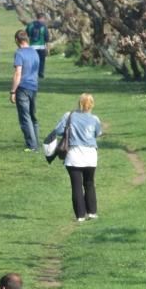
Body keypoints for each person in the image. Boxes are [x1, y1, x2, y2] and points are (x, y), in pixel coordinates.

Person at [53, 93, 102, 222]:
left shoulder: (69, 116)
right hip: (91, 155)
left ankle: (80, 215)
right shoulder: (95, 119)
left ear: (79, 103)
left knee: (76, 186)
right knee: (89, 183)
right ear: (92, 104)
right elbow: (98, 133)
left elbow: (57, 131)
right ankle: (92, 212)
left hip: (74, 155)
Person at [9, 30, 40, 152]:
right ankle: (36, 143)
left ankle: (31, 146)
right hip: (34, 86)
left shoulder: (19, 53)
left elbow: (18, 73)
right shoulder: (35, 53)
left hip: (23, 87)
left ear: (17, 40)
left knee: (25, 117)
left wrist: (13, 91)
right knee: (33, 117)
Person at [26, 13, 50, 79]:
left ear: (37, 17)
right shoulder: (44, 26)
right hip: (41, 46)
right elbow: (47, 38)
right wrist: (47, 48)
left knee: (32, 61)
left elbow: (26, 35)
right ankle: (40, 73)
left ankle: (32, 73)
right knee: (41, 61)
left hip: (32, 46)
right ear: (42, 18)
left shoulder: (30, 25)